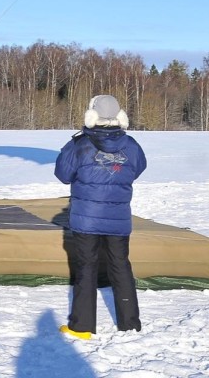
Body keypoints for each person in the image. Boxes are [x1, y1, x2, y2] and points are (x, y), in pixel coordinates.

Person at [54, 94, 147, 339]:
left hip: (86, 220)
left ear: (91, 115)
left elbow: (63, 174)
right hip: (118, 218)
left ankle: (82, 326)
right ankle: (130, 324)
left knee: (86, 268)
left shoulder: (79, 144)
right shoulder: (132, 145)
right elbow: (138, 168)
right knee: (121, 266)